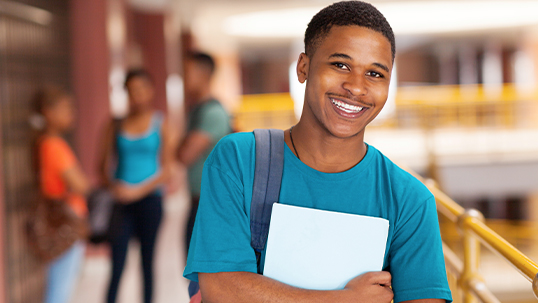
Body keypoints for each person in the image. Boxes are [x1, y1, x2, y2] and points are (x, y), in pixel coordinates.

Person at [183, 1, 452, 303]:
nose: (356, 87)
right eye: (340, 65)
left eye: (375, 74)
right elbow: (222, 290)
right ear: (304, 67)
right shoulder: (239, 161)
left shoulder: (409, 199)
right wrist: (347, 298)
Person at [97, 69, 175, 303]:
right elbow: (101, 167)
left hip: (151, 201)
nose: (138, 96)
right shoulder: (115, 124)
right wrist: (116, 187)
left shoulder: (161, 124)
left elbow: (168, 170)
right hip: (121, 203)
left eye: (142, 90)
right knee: (117, 263)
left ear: (150, 91)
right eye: (132, 91)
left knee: (147, 262)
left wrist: (137, 191)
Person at [33, 87, 90, 303]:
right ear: (48, 112)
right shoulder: (54, 145)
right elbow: (80, 184)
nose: (71, 114)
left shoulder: (43, 143)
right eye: (66, 108)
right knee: (60, 289)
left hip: (58, 221)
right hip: (65, 223)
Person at [178, 52, 231, 255]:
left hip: (210, 203)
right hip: (197, 200)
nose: (184, 78)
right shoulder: (197, 111)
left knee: (201, 272)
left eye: (187, 72)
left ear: (204, 74)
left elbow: (184, 155)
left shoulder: (213, 113)